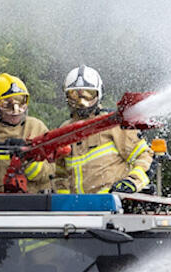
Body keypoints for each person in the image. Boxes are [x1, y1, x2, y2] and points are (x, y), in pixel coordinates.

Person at [55, 65, 154, 195]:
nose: (81, 102)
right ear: (67, 96)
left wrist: (132, 182)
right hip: (77, 209)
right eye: (75, 95)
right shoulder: (64, 131)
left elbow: (144, 156)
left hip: (112, 205)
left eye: (88, 95)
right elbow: (59, 174)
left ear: (99, 94)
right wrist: (63, 203)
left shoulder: (112, 124)